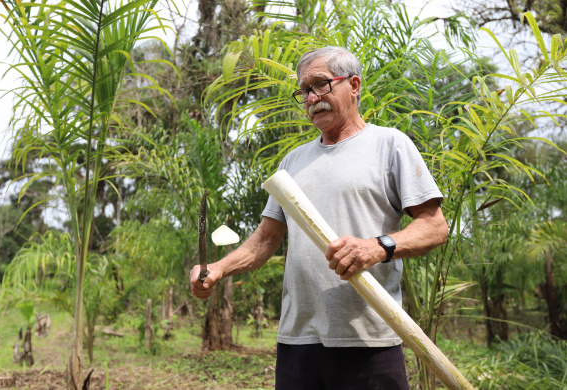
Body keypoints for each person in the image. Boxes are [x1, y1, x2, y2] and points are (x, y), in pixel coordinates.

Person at [190, 46, 448, 390]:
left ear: (354, 85)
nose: (312, 98)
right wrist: (219, 269)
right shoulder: (292, 162)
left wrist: (378, 247)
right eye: (304, 90)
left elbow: (435, 227)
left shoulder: (390, 145)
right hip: (298, 339)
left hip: (369, 339)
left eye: (321, 85)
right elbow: (267, 239)